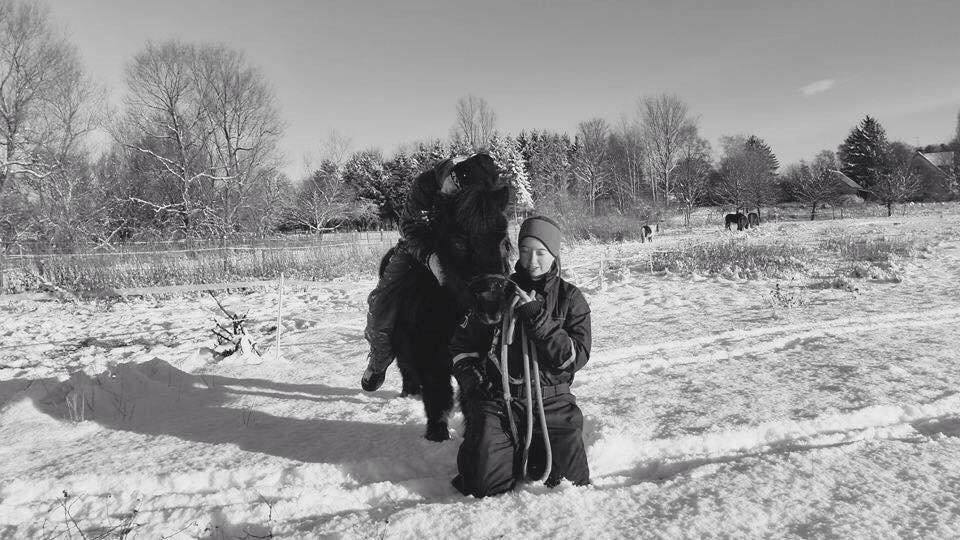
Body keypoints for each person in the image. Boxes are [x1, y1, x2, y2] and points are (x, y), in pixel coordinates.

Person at [449, 215, 591, 497]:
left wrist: (537, 317)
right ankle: (506, 448)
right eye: (525, 251)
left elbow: (573, 358)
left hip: (553, 402)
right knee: (481, 485)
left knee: (571, 485)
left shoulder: (570, 298)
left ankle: (534, 446)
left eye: (541, 253)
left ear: (554, 254)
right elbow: (460, 345)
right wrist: (470, 379)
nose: (532, 261)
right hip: (500, 401)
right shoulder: (495, 291)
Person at [360, 153, 499, 392]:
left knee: (486, 298)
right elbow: (410, 227)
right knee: (382, 302)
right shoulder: (424, 185)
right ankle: (379, 358)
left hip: (455, 249)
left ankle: (484, 368)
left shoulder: (474, 199)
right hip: (417, 249)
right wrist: (430, 258)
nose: (449, 190)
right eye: (452, 183)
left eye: (457, 190)